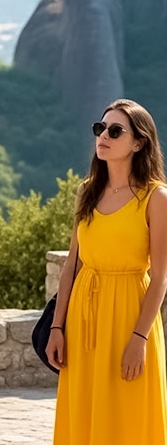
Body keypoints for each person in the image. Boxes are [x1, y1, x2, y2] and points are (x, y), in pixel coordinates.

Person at [46, 98, 167, 444]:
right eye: (100, 128)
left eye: (116, 131)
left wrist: (139, 339)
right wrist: (57, 325)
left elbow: (160, 276)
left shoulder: (156, 198)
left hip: (130, 315)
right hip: (84, 318)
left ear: (139, 142)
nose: (104, 136)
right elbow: (73, 263)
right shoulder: (87, 191)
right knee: (84, 415)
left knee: (128, 415)